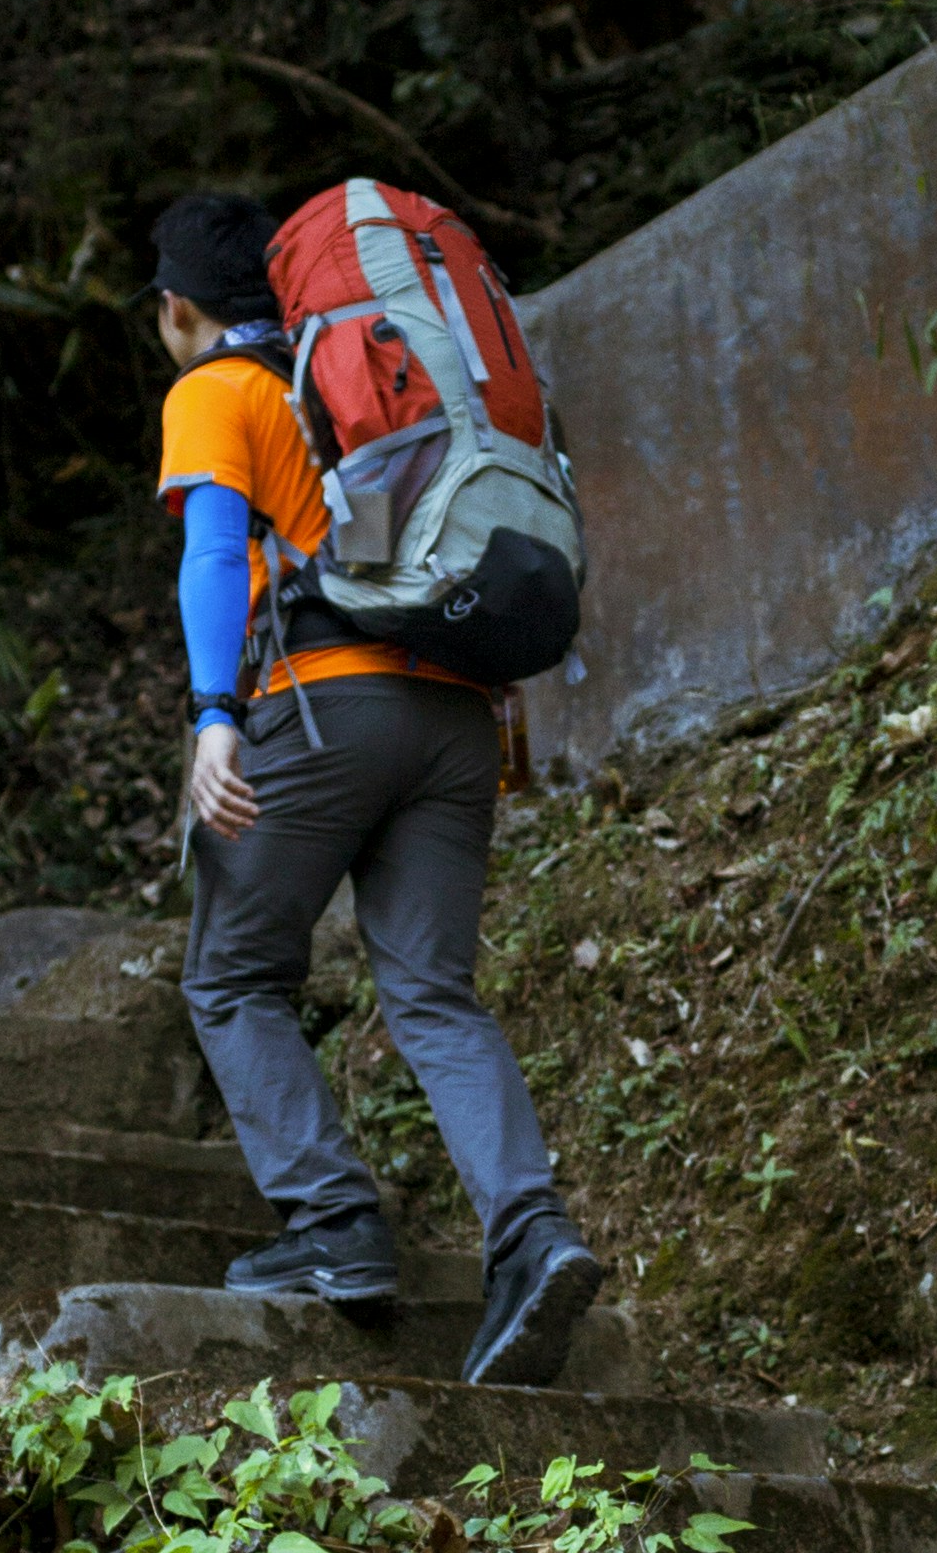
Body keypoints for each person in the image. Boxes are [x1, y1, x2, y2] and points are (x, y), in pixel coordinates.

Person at [147, 185, 604, 1389]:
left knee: (235, 973)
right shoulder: (368, 384)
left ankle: (338, 1228)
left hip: (323, 704)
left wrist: (211, 718)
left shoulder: (221, 390)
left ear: (179, 309)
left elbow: (210, 549)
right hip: (456, 716)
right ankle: (533, 1233)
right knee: (435, 996)